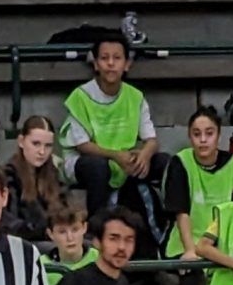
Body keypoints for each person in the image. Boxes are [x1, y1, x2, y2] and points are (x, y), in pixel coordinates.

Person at [63, 33, 163, 248]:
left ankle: (168, 232)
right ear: (96, 64)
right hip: (86, 161)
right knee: (98, 167)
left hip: (123, 160)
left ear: (127, 64)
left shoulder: (135, 97)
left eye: (116, 58)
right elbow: (82, 144)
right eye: (104, 58)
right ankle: (96, 232)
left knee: (164, 162)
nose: (110, 63)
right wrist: (115, 155)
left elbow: (151, 140)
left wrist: (145, 155)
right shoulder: (80, 96)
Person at [160, 106, 233, 260]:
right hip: (185, 246)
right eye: (196, 134)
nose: (203, 140)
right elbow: (181, 212)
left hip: (224, 248)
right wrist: (190, 251)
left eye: (209, 133)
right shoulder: (180, 162)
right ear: (190, 137)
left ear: (219, 136)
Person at [3, 115, 65, 240]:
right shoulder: (8, 175)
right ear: (21, 141)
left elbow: (66, 213)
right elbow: (10, 224)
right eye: (36, 144)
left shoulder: (53, 173)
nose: (42, 151)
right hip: (25, 240)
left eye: (48, 146)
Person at [41, 195, 95, 285]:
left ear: (84, 227)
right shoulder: (41, 266)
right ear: (50, 234)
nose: (70, 238)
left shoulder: (99, 260)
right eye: (62, 232)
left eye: (75, 230)